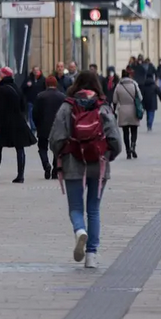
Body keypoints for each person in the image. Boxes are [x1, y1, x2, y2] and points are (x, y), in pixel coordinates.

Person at [48, 72, 123, 269]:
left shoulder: (68, 106)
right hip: (98, 164)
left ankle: (80, 231)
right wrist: (108, 155)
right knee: (94, 210)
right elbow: (115, 139)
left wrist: (61, 153)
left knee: (75, 208)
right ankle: (91, 255)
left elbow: (55, 138)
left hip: (73, 163)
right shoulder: (103, 106)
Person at [0, 67, 37, 183]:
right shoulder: (16, 87)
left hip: (6, 122)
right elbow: (23, 105)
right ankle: (20, 175)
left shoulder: (3, 89)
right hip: (19, 121)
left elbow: (1, 109)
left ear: (4, 75)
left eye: (0, 74)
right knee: (20, 148)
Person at [33, 75, 67, 180]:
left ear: (46, 84)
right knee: (57, 149)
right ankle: (55, 170)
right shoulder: (62, 96)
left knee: (42, 148)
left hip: (43, 126)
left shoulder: (40, 96)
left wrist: (37, 124)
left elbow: (35, 113)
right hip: (58, 127)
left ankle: (46, 164)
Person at [113, 69, 142, 159]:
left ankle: (128, 151)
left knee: (125, 132)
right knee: (134, 130)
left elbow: (114, 100)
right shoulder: (134, 84)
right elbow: (140, 97)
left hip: (123, 110)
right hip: (133, 109)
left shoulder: (118, 86)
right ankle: (133, 146)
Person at [21, 66, 45, 134]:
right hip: (31, 100)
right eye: (34, 70)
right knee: (31, 115)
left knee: (39, 115)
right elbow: (22, 88)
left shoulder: (43, 79)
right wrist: (26, 85)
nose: (36, 72)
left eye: (37, 70)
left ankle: (38, 126)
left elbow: (45, 88)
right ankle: (33, 128)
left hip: (40, 101)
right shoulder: (29, 79)